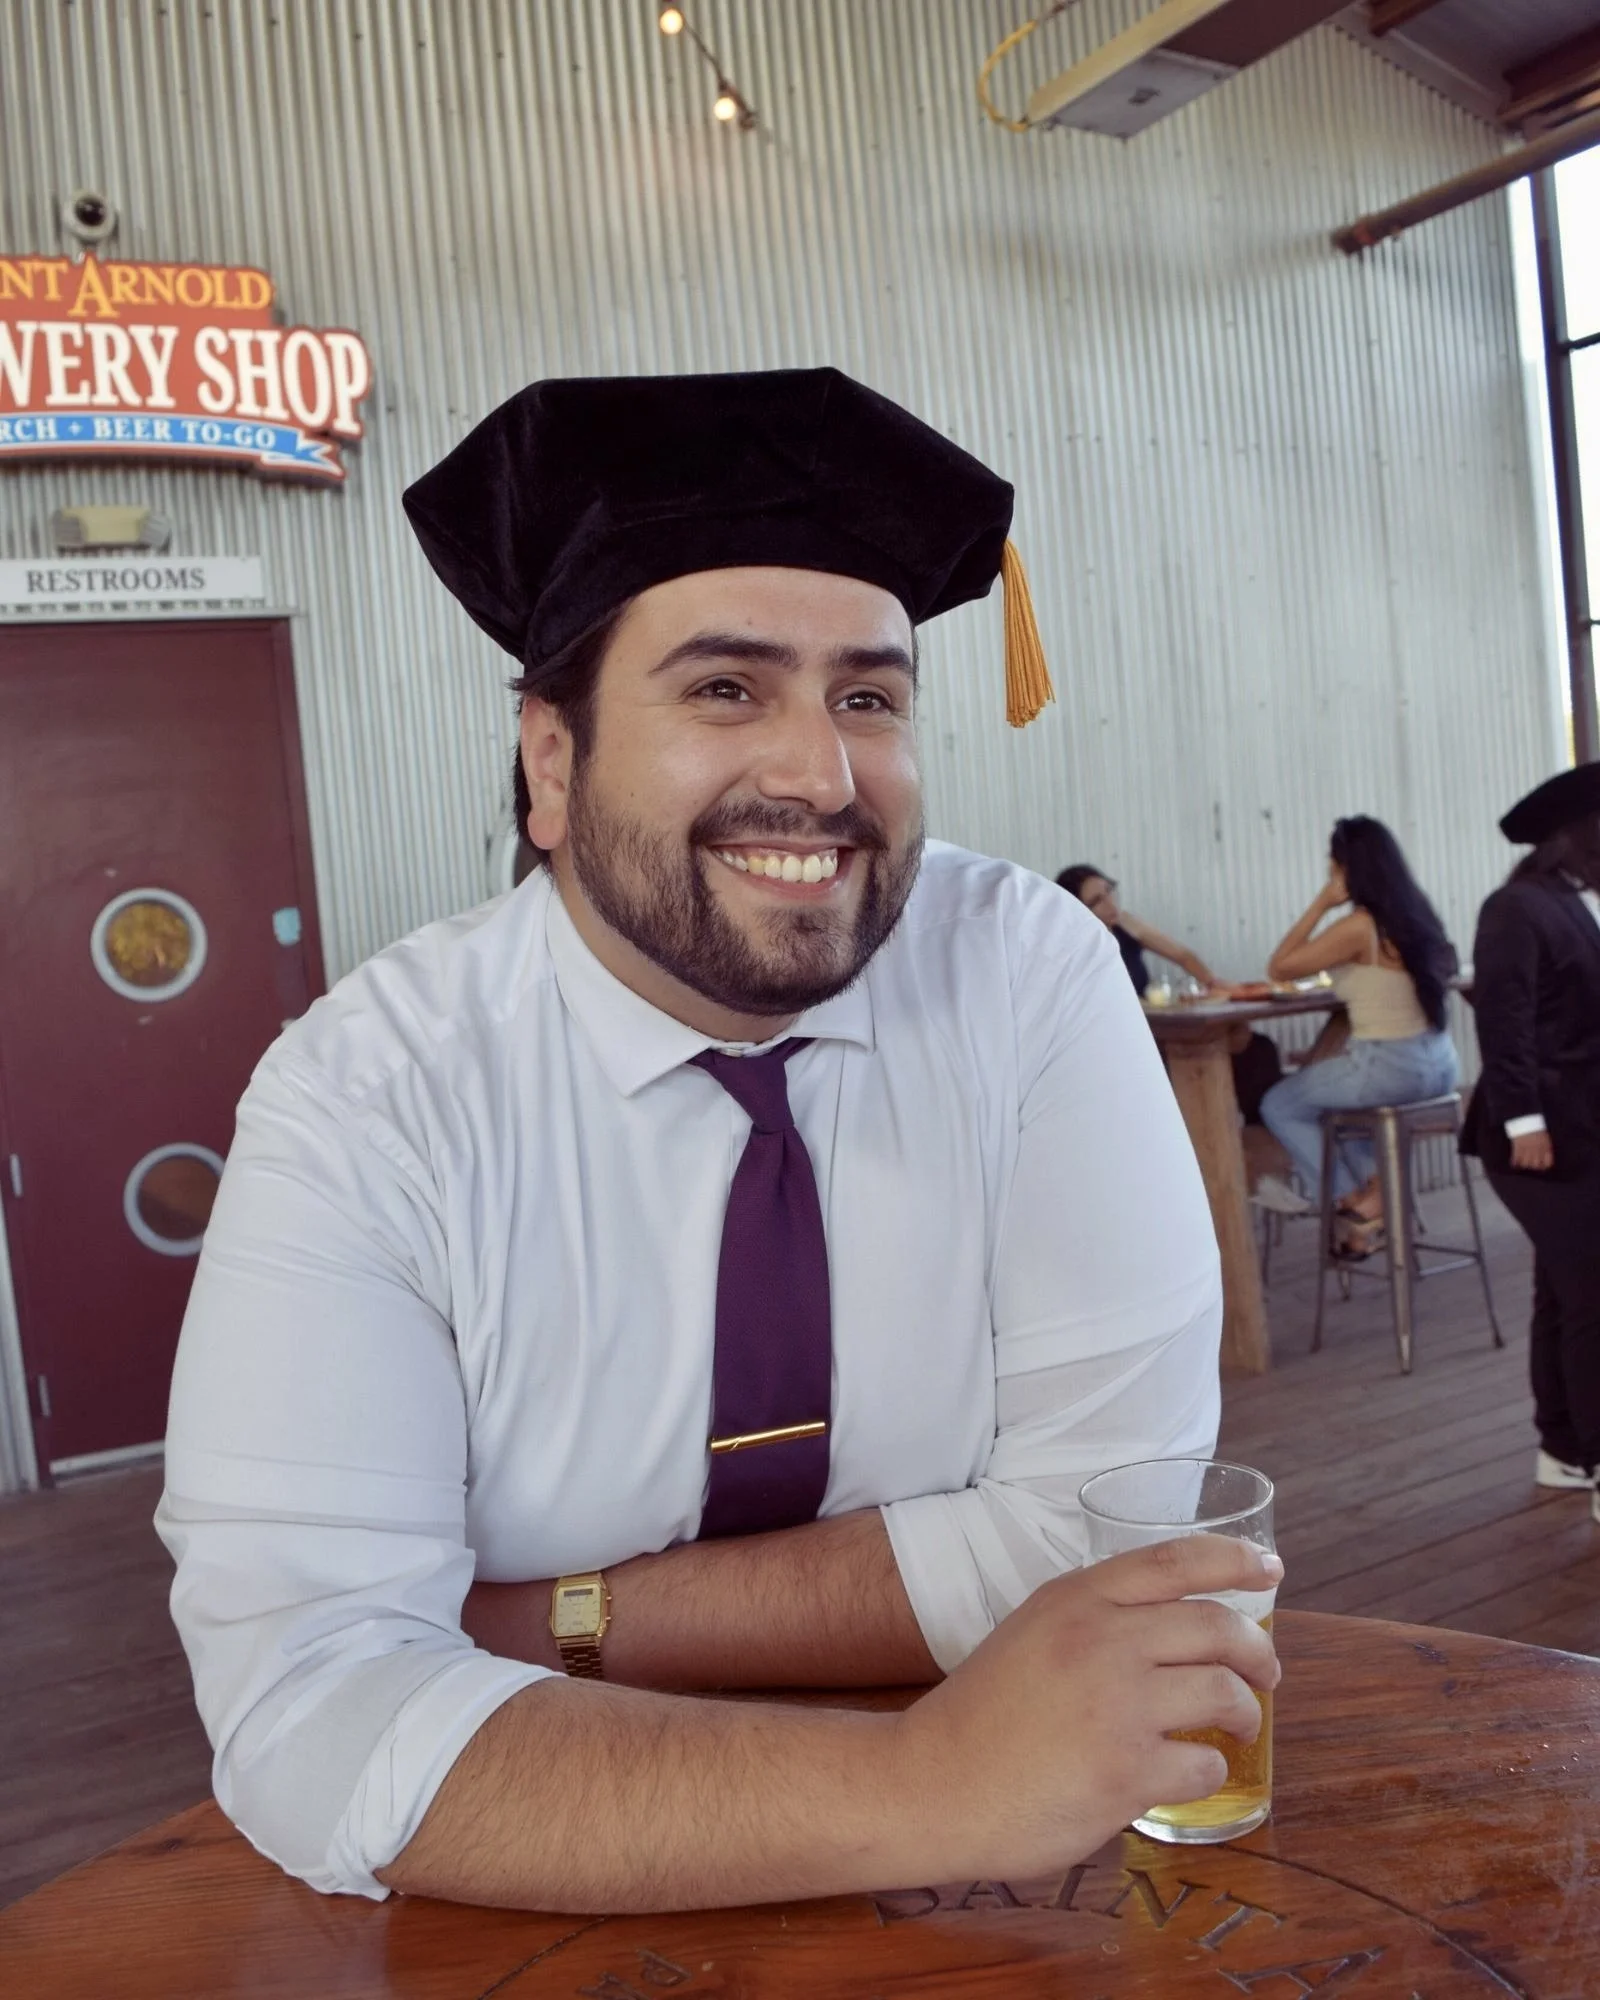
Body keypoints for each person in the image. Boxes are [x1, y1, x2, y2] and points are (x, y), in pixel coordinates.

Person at [155, 368, 1278, 1913]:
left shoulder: (1023, 973)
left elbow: (1106, 1543)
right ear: (552, 765)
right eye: (726, 690)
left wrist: (522, 1619)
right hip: (588, 1885)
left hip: (1005, 1900)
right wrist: (930, 1778)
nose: (821, 778)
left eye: (870, 697)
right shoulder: (372, 1098)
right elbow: (314, 1718)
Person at [1461, 766, 1600, 1509]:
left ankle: (1564, 1449)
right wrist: (1523, 1121)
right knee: (1591, 1294)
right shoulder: (1518, 907)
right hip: (1531, 1139)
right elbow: (1502, 1022)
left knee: (1566, 1289)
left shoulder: (1583, 906)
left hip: (1586, 1131)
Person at [1255, 816, 1459, 1253]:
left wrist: (1323, 901)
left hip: (1390, 1068)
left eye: (1334, 869)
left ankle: (1353, 1201)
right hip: (1439, 1065)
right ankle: (1372, 1202)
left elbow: (1280, 967)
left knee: (1280, 1104)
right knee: (1350, 1112)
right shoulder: (1416, 914)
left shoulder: (1360, 925)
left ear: (1348, 869)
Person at [1057, 863, 1283, 1126]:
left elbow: (1181, 955)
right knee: (1210, 1056)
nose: (1110, 905)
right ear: (1076, 911)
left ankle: (1259, 1139)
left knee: (1256, 1047)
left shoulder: (1124, 924)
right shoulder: (1075, 950)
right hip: (1126, 1046)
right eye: (1097, 901)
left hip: (1159, 1026)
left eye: (1109, 892)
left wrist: (1212, 982)